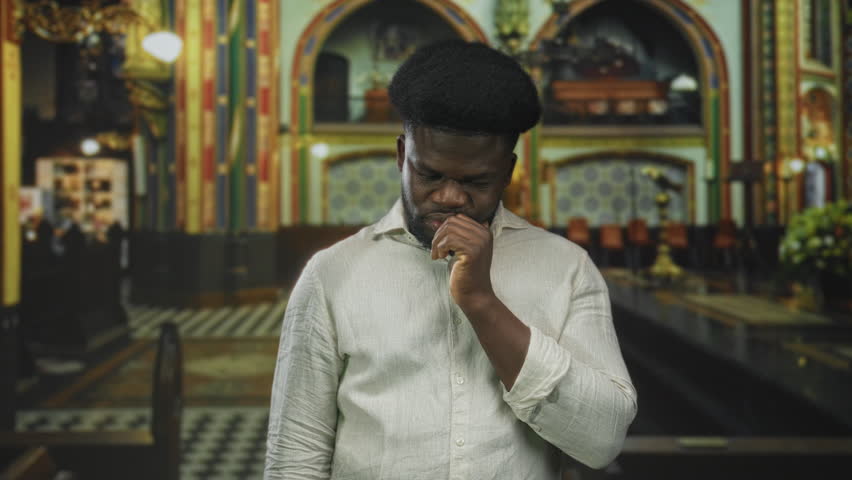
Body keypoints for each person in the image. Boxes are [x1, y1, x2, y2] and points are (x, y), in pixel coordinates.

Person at [265, 40, 637, 479]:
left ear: (508, 171)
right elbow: (296, 455)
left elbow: (602, 440)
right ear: (402, 156)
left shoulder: (567, 268)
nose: (450, 197)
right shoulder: (333, 273)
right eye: (431, 174)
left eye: (476, 181)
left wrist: (483, 304)